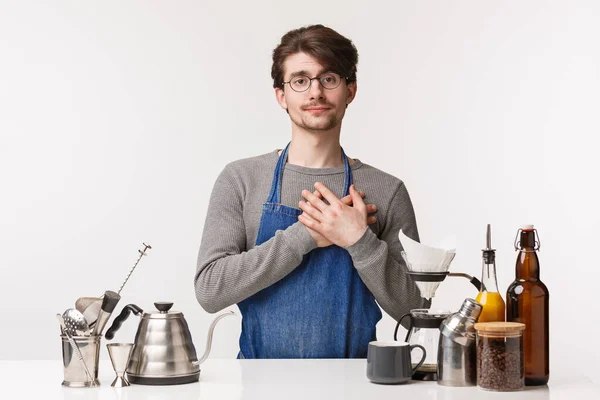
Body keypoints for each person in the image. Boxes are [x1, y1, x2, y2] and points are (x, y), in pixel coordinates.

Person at [195, 24, 428, 359]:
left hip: (358, 385)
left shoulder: (386, 190)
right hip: (260, 384)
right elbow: (209, 290)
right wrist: (303, 236)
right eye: (300, 80)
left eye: (329, 78)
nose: (315, 92)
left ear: (350, 90)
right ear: (281, 95)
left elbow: (417, 309)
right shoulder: (241, 179)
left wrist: (359, 241)